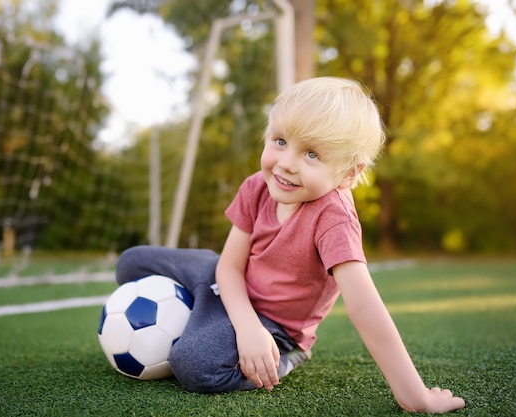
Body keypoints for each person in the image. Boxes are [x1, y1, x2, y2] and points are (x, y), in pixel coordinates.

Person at [115, 77, 465, 413]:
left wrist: (415, 396)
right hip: (228, 278)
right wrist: (243, 323)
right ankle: (208, 308)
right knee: (131, 263)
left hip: (275, 323)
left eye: (311, 154)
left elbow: (364, 308)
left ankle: (280, 354)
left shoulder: (334, 218)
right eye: (280, 141)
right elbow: (230, 266)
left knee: (193, 365)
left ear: (348, 173)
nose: (285, 163)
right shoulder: (257, 186)